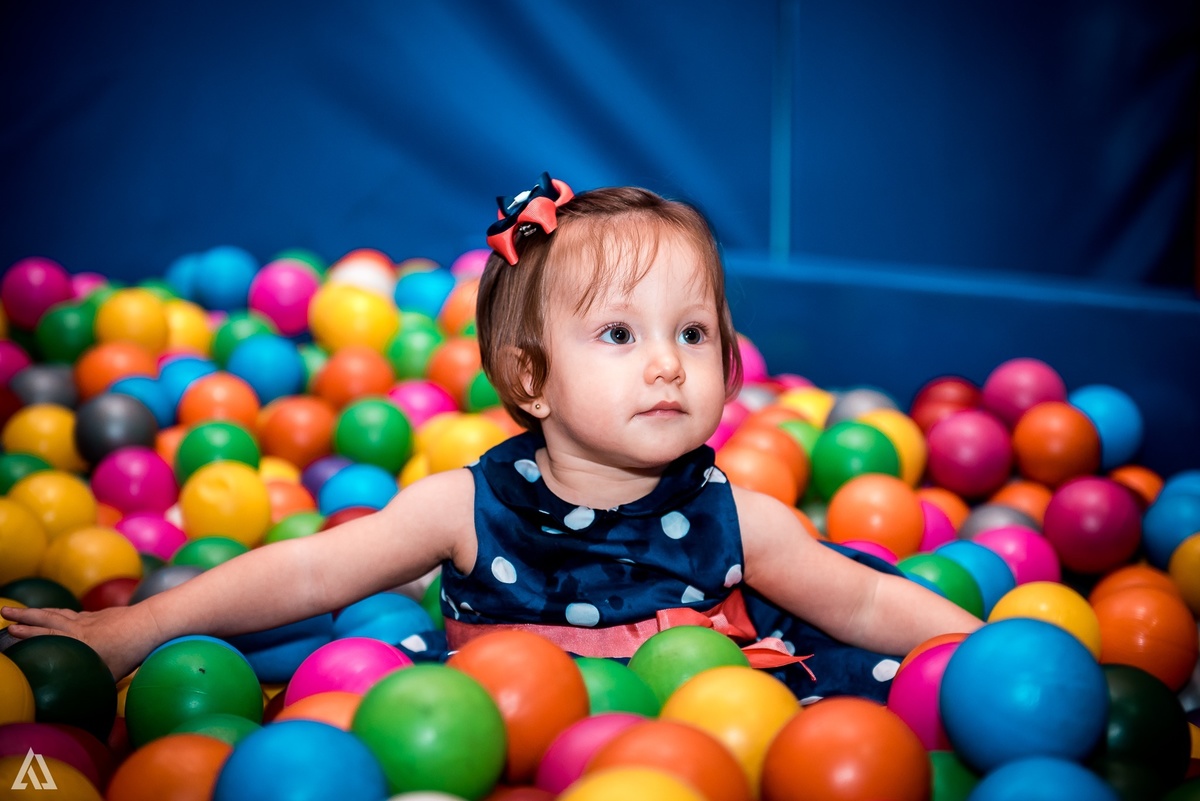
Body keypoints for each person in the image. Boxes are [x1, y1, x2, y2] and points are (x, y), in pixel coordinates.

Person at [2, 172, 981, 702]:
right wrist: (133, 629)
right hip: (495, 732)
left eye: (694, 332)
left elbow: (862, 603)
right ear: (530, 378)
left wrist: (987, 652)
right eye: (619, 334)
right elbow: (305, 576)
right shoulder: (463, 510)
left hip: (710, 741)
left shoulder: (742, 523)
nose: (668, 364)